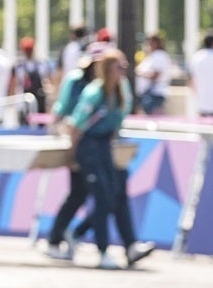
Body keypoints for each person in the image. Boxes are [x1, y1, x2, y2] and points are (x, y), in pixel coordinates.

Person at [67, 50, 156, 270]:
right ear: (108, 69)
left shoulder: (122, 90)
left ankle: (130, 245)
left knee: (118, 194)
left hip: (107, 146)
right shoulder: (94, 93)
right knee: (102, 197)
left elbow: (117, 123)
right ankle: (102, 249)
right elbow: (75, 126)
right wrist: (72, 156)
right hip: (89, 147)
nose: (124, 71)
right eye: (120, 67)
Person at [41, 46, 106, 262]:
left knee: (85, 194)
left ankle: (63, 236)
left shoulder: (107, 85)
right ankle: (58, 237)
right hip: (76, 141)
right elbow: (63, 108)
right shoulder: (76, 80)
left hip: (94, 145)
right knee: (80, 192)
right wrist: (64, 140)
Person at [134, 32, 172, 116]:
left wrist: (139, 73)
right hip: (149, 93)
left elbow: (156, 74)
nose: (148, 45)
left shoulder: (159, 55)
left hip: (155, 94)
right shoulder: (153, 56)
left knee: (152, 119)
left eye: (151, 43)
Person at [12, 37, 48, 115]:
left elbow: (46, 82)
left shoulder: (41, 65)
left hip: (39, 102)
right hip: (23, 102)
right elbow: (15, 84)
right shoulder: (18, 66)